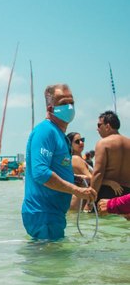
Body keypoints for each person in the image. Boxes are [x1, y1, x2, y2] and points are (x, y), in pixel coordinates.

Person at [21, 84, 96, 241]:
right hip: (43, 213)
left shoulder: (60, 135)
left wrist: (72, 177)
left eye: (71, 102)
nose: (69, 107)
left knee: (54, 262)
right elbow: (41, 173)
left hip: (54, 214)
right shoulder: (45, 131)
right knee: (48, 263)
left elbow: (55, 168)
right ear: (50, 108)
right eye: (63, 103)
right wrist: (76, 190)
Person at [91, 110, 130, 200]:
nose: (97, 129)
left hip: (107, 194)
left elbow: (98, 173)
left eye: (99, 125)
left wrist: (90, 200)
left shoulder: (103, 143)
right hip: (127, 195)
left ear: (107, 126)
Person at [66, 132, 92, 210]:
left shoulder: (72, 159)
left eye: (82, 140)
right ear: (70, 145)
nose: (81, 143)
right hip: (77, 200)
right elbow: (93, 178)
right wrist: (109, 182)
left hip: (76, 199)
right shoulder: (76, 159)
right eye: (77, 141)